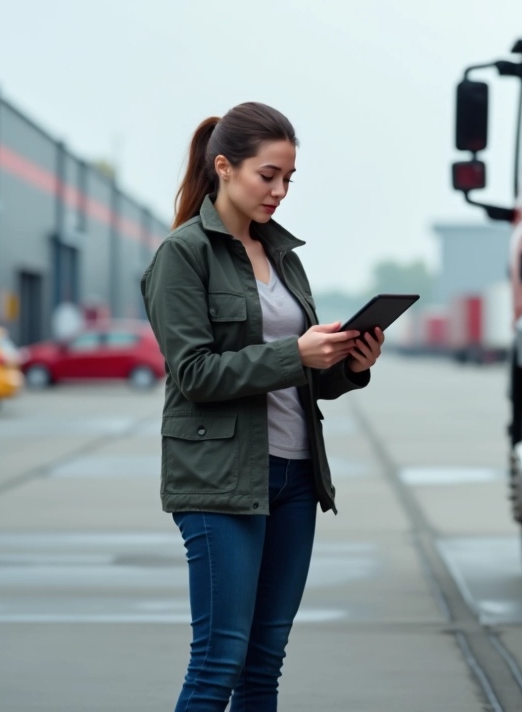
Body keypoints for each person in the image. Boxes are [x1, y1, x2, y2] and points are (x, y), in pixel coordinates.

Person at [141, 101, 383, 712]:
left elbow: (299, 378)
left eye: (287, 179)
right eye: (267, 175)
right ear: (224, 167)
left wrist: (349, 364)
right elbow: (193, 374)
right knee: (218, 661)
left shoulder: (283, 256)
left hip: (296, 477)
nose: (279, 191)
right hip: (220, 481)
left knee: (263, 665)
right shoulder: (183, 254)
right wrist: (293, 353)